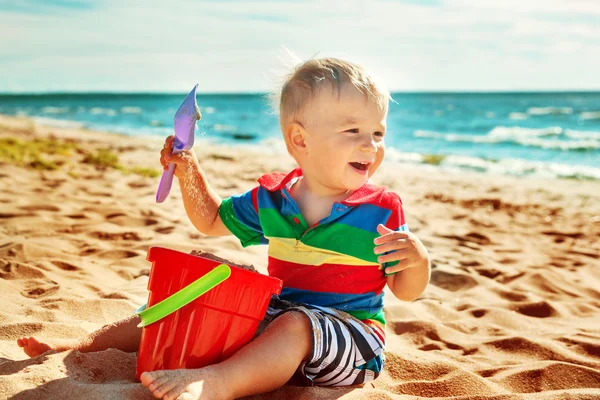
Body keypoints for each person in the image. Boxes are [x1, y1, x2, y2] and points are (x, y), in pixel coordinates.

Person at [17, 57, 431, 400]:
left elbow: (405, 289)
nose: (370, 145)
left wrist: (418, 260)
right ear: (300, 140)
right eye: (353, 131)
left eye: (378, 133)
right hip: (281, 322)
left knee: (297, 324)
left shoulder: (380, 208)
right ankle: (84, 346)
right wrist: (189, 171)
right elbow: (211, 220)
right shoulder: (273, 199)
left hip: (351, 340)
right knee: (205, 284)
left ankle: (218, 383)